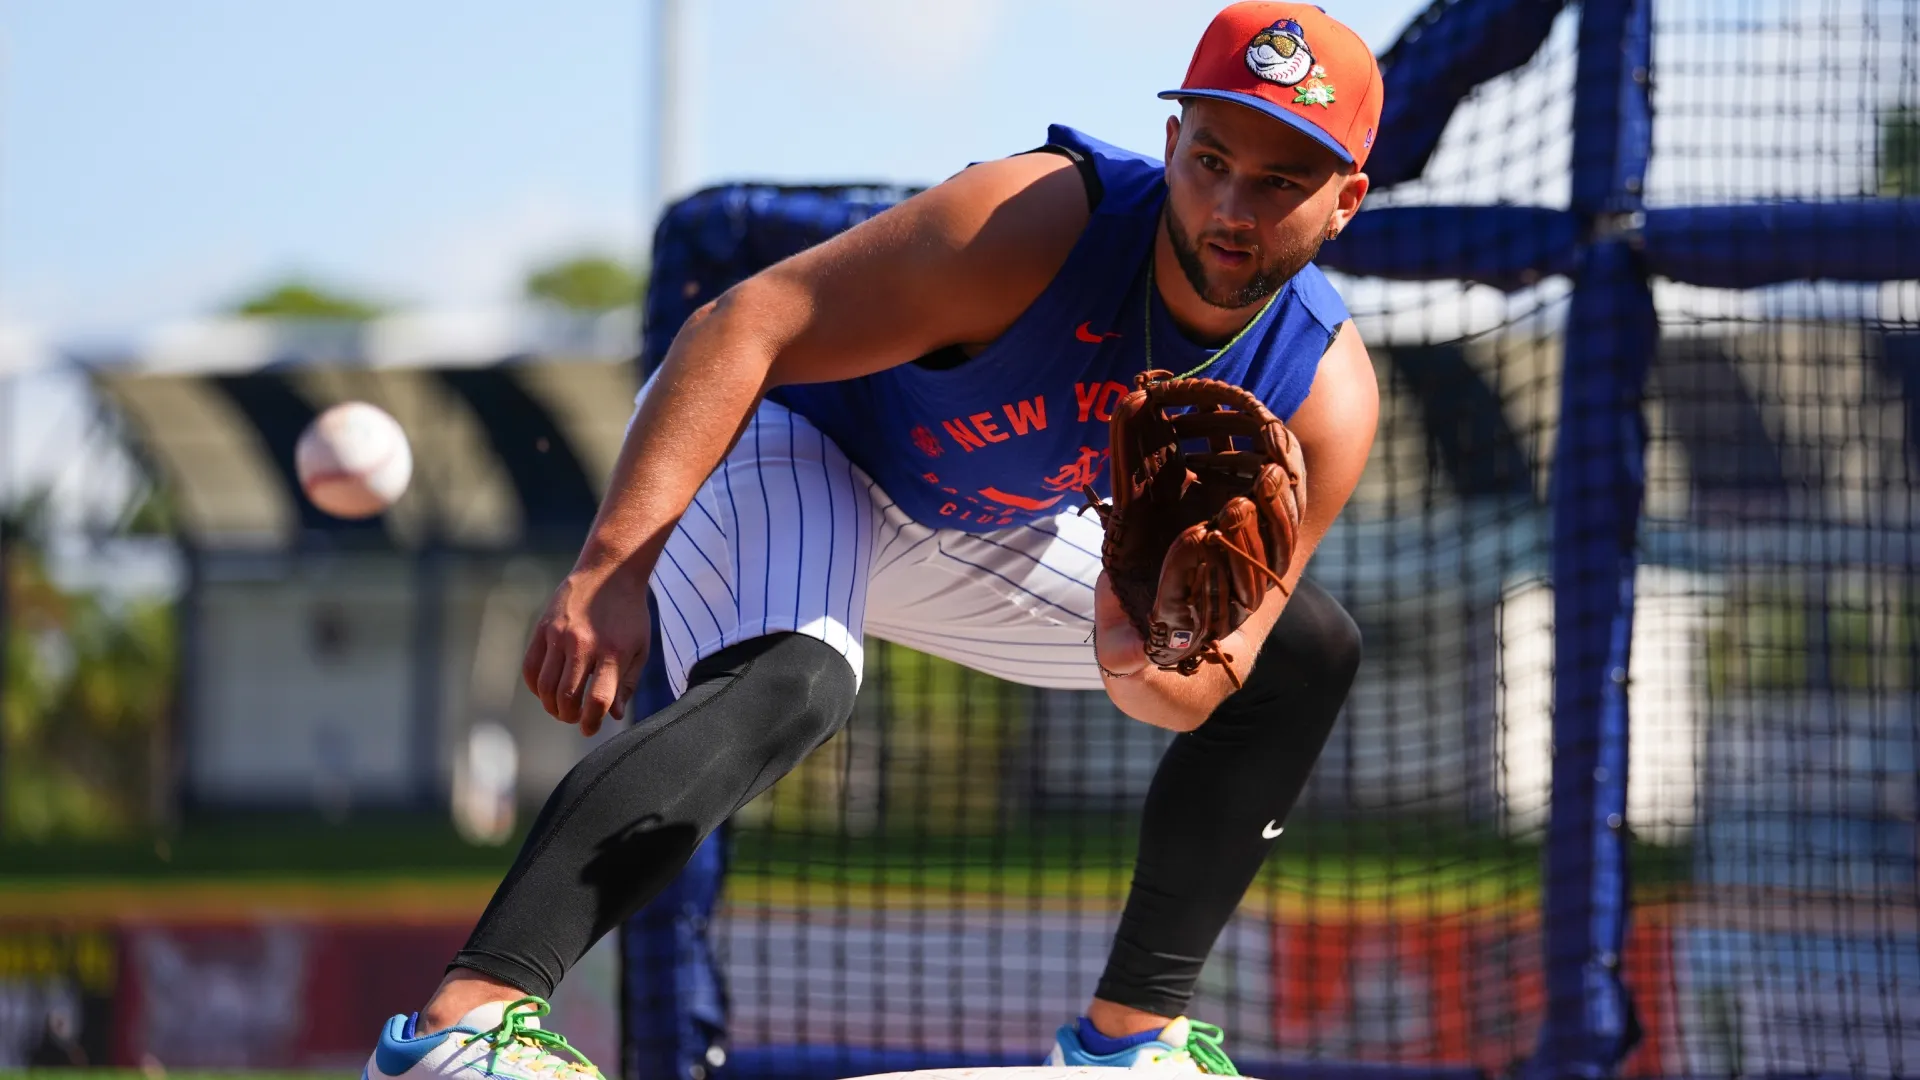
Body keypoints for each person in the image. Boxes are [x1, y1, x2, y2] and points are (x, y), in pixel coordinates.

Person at [365, 3, 1382, 1076]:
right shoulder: (1041, 219)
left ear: (1345, 202)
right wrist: (612, 568)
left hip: (986, 523)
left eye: (1279, 180)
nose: (1229, 204)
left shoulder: (1322, 397)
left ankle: (1131, 1045)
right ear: (1172, 143)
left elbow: (1200, 691)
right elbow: (742, 325)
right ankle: (459, 1027)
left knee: (1305, 654)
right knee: (798, 680)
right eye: (1212, 157)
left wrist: (1135, 644)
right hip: (800, 441)